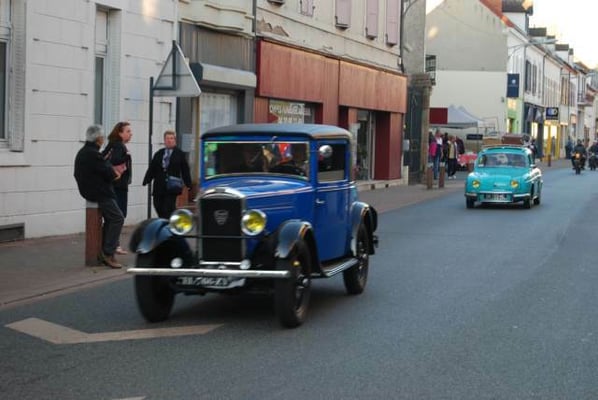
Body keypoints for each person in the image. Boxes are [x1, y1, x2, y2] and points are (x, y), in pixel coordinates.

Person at [74, 124, 125, 269]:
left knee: (111, 219)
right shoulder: (93, 154)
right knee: (117, 218)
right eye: (102, 137)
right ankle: (108, 253)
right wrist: (115, 174)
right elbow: (109, 172)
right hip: (100, 193)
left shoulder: (84, 152)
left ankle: (103, 250)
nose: (103, 140)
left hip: (92, 191)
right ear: (98, 139)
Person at [143, 130, 192, 218]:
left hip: (172, 186)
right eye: (167, 138)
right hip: (159, 185)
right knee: (157, 205)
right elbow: (152, 168)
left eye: (171, 138)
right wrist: (147, 179)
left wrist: (188, 184)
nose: (169, 140)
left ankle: (168, 222)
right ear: (164, 140)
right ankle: (164, 220)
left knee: (168, 207)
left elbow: (185, 169)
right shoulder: (159, 153)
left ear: (175, 140)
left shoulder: (179, 154)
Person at [101, 122, 132, 255]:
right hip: (118, 185)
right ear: (120, 133)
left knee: (112, 217)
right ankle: (113, 245)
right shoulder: (119, 145)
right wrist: (127, 156)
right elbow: (116, 160)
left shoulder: (113, 144)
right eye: (128, 131)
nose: (131, 134)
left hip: (114, 184)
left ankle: (108, 244)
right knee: (119, 215)